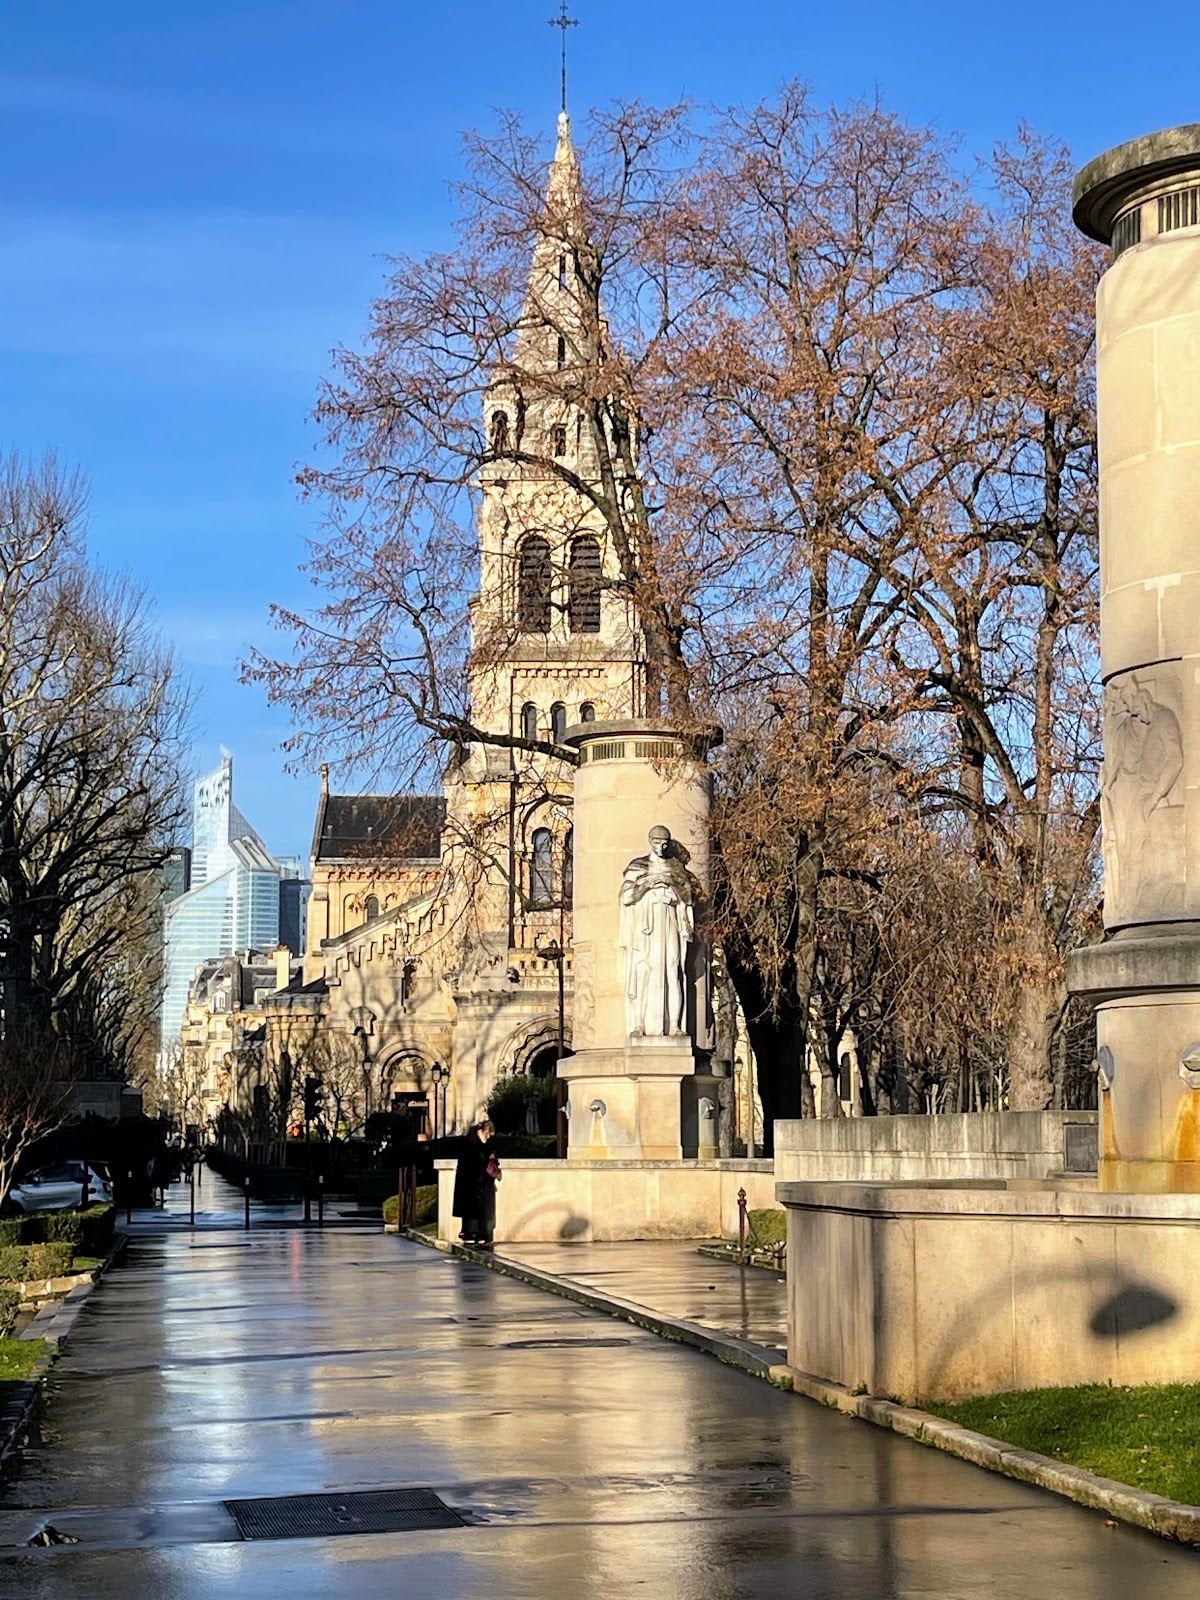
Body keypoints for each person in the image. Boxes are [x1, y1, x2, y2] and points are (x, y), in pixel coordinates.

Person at [452, 1119, 500, 1249]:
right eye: (488, 1133)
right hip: (471, 1181)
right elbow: (471, 1163)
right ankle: (472, 1233)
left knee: (480, 1210)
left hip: (481, 1181)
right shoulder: (470, 1143)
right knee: (473, 1209)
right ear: (485, 1130)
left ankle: (479, 1234)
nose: (489, 1137)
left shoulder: (483, 1143)